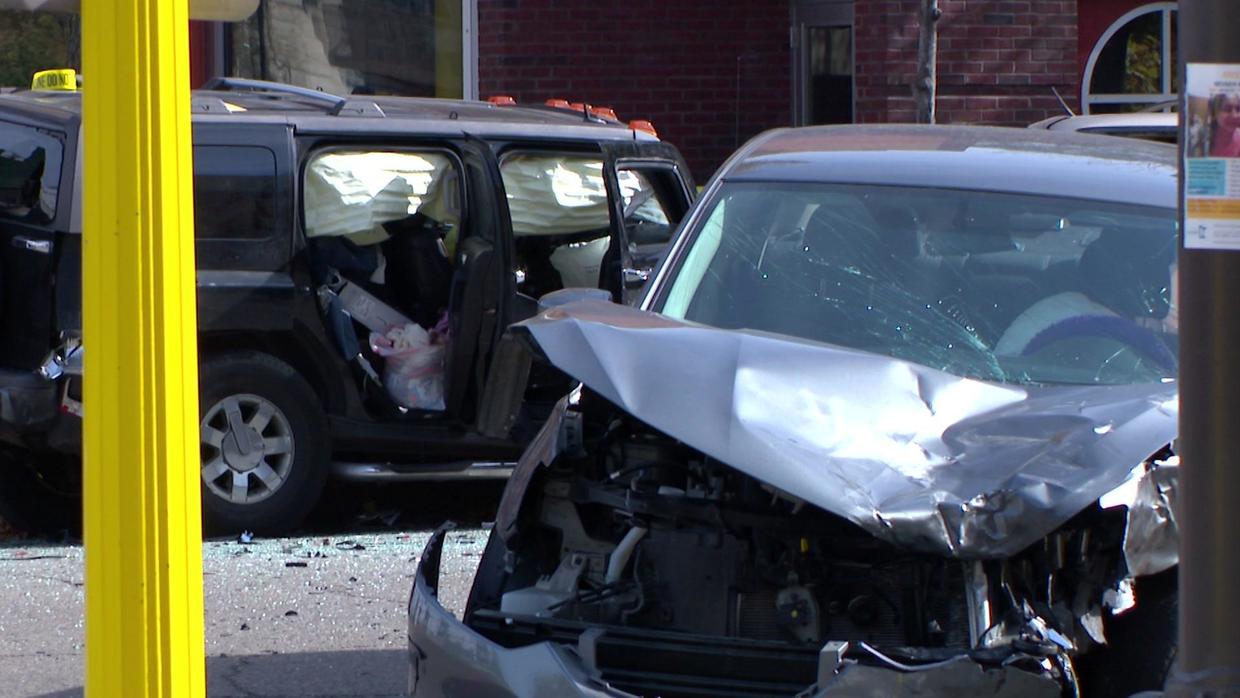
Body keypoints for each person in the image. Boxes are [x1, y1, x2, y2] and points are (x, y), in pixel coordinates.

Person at [1208, 93, 1240, 157]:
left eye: (1238, 109)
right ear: (1215, 113)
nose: (1234, 115)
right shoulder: (1206, 141)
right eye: (1227, 109)